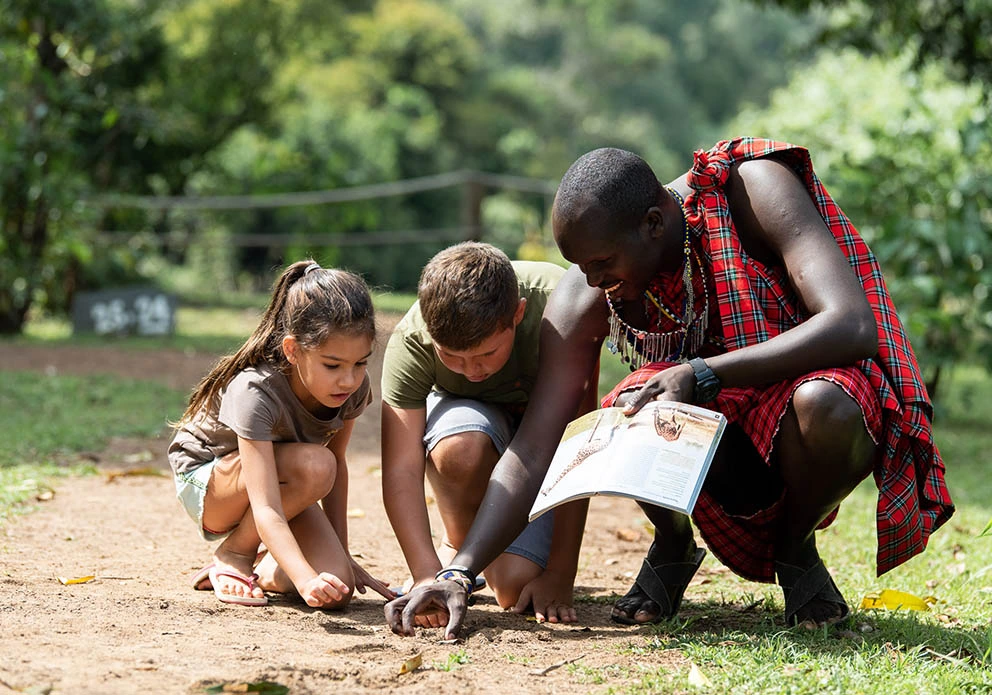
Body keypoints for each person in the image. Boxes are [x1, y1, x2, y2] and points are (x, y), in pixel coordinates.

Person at [385, 137, 953, 638]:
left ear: (654, 223)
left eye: (602, 262)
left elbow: (850, 323)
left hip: (808, 391)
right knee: (629, 411)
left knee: (825, 405)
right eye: (579, 267)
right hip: (719, 423)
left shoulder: (749, 189)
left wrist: (706, 372)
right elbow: (534, 447)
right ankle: (673, 544)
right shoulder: (586, 295)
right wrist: (458, 570)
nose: (593, 282)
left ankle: (795, 550)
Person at [380, 242, 597, 626]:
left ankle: (482, 560)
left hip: (545, 441)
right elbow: (401, 469)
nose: (472, 370)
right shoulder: (413, 338)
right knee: (460, 449)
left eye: (486, 353)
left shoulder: (562, 308)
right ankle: (459, 549)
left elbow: (578, 441)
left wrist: (562, 573)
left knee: (515, 588)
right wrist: (424, 572)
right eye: (451, 356)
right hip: (471, 427)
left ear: (518, 315)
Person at [169, 260, 393, 608]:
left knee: (337, 589)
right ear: (293, 350)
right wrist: (304, 578)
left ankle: (266, 568)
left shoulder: (351, 389)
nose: (348, 380)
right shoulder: (255, 391)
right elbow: (267, 505)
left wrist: (342, 556)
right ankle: (234, 554)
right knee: (317, 466)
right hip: (209, 482)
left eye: (360, 363)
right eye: (332, 365)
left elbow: (338, 465)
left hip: (287, 479)